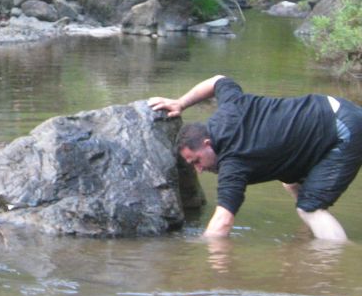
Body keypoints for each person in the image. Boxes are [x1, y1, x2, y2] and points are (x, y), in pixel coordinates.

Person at [148, 75, 362, 241]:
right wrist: (180, 103)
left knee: (310, 208)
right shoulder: (230, 106)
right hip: (331, 109)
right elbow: (218, 80)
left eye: (196, 161)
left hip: (343, 130)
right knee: (291, 183)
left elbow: (222, 223)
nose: (199, 169)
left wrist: (195, 249)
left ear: (207, 144)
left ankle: (335, 263)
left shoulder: (234, 162)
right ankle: (308, 238)